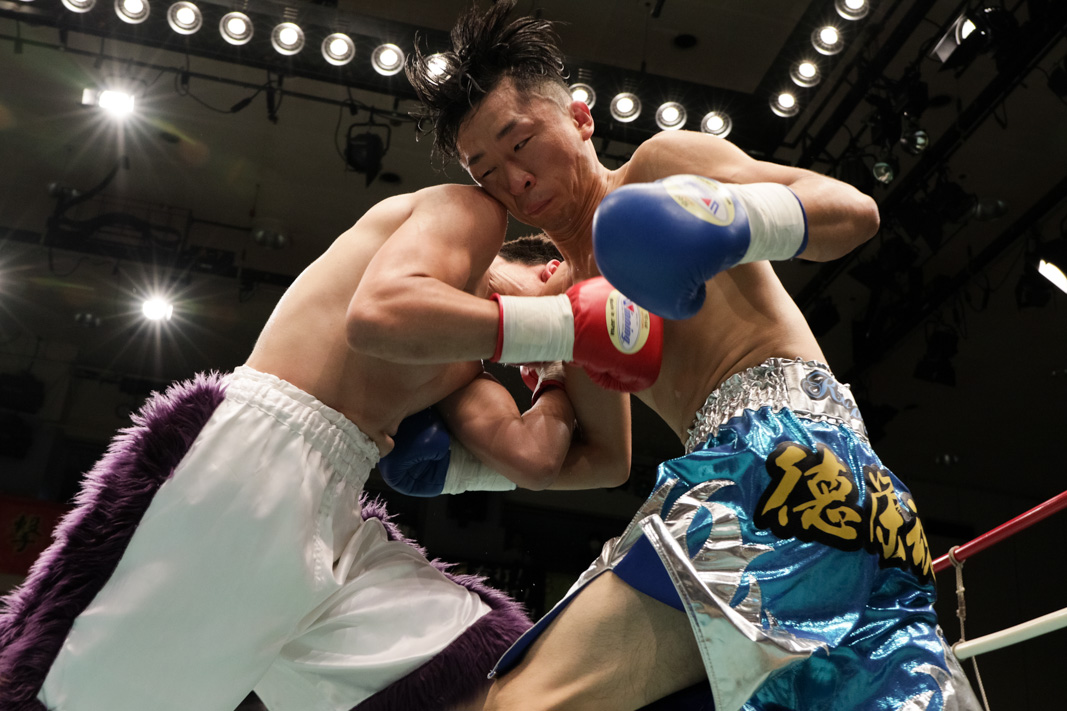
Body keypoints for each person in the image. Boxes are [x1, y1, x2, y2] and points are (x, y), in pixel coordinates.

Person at [402, 2, 983, 710]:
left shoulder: (659, 169)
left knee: (515, 704)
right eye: (486, 170)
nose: (513, 179)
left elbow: (852, 210)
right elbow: (600, 460)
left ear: (580, 117)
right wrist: (461, 465)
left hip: (775, 464)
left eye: (520, 143)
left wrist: (732, 221)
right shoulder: (573, 308)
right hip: (857, 505)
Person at [0, 184, 651, 711]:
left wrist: (560, 371)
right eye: (559, 297)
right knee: (88, 691)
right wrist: (562, 324)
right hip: (261, 452)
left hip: (337, 509)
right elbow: (379, 316)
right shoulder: (463, 217)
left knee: (473, 668)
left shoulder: (466, 372)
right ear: (549, 269)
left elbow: (554, 460)